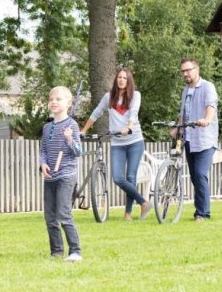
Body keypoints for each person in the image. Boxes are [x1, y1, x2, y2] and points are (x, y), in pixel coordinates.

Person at [80, 68, 151, 221]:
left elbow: (134, 112)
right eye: (119, 77)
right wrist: (84, 130)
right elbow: (97, 112)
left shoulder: (135, 96)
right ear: (116, 79)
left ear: (129, 80)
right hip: (117, 143)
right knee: (118, 178)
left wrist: (129, 127)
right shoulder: (109, 97)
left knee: (131, 176)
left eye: (124, 78)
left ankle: (127, 214)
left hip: (134, 141)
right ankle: (144, 202)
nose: (121, 80)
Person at [39, 86, 83, 262]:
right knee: (50, 216)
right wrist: (42, 163)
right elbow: (43, 150)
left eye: (58, 99)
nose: (54, 102)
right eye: (51, 99)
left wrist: (69, 139)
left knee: (63, 214)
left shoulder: (72, 125)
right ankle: (56, 252)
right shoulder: (47, 127)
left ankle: (75, 251)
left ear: (68, 103)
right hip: (50, 177)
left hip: (66, 175)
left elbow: (78, 151)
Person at [171, 58, 219, 222]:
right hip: (189, 138)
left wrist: (206, 119)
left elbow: (210, 106)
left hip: (205, 139)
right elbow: (183, 113)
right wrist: (177, 127)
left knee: (200, 174)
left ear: (196, 69)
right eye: (183, 71)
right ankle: (199, 210)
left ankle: (203, 213)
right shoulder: (185, 90)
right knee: (194, 176)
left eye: (188, 70)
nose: (185, 73)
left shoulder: (207, 87)